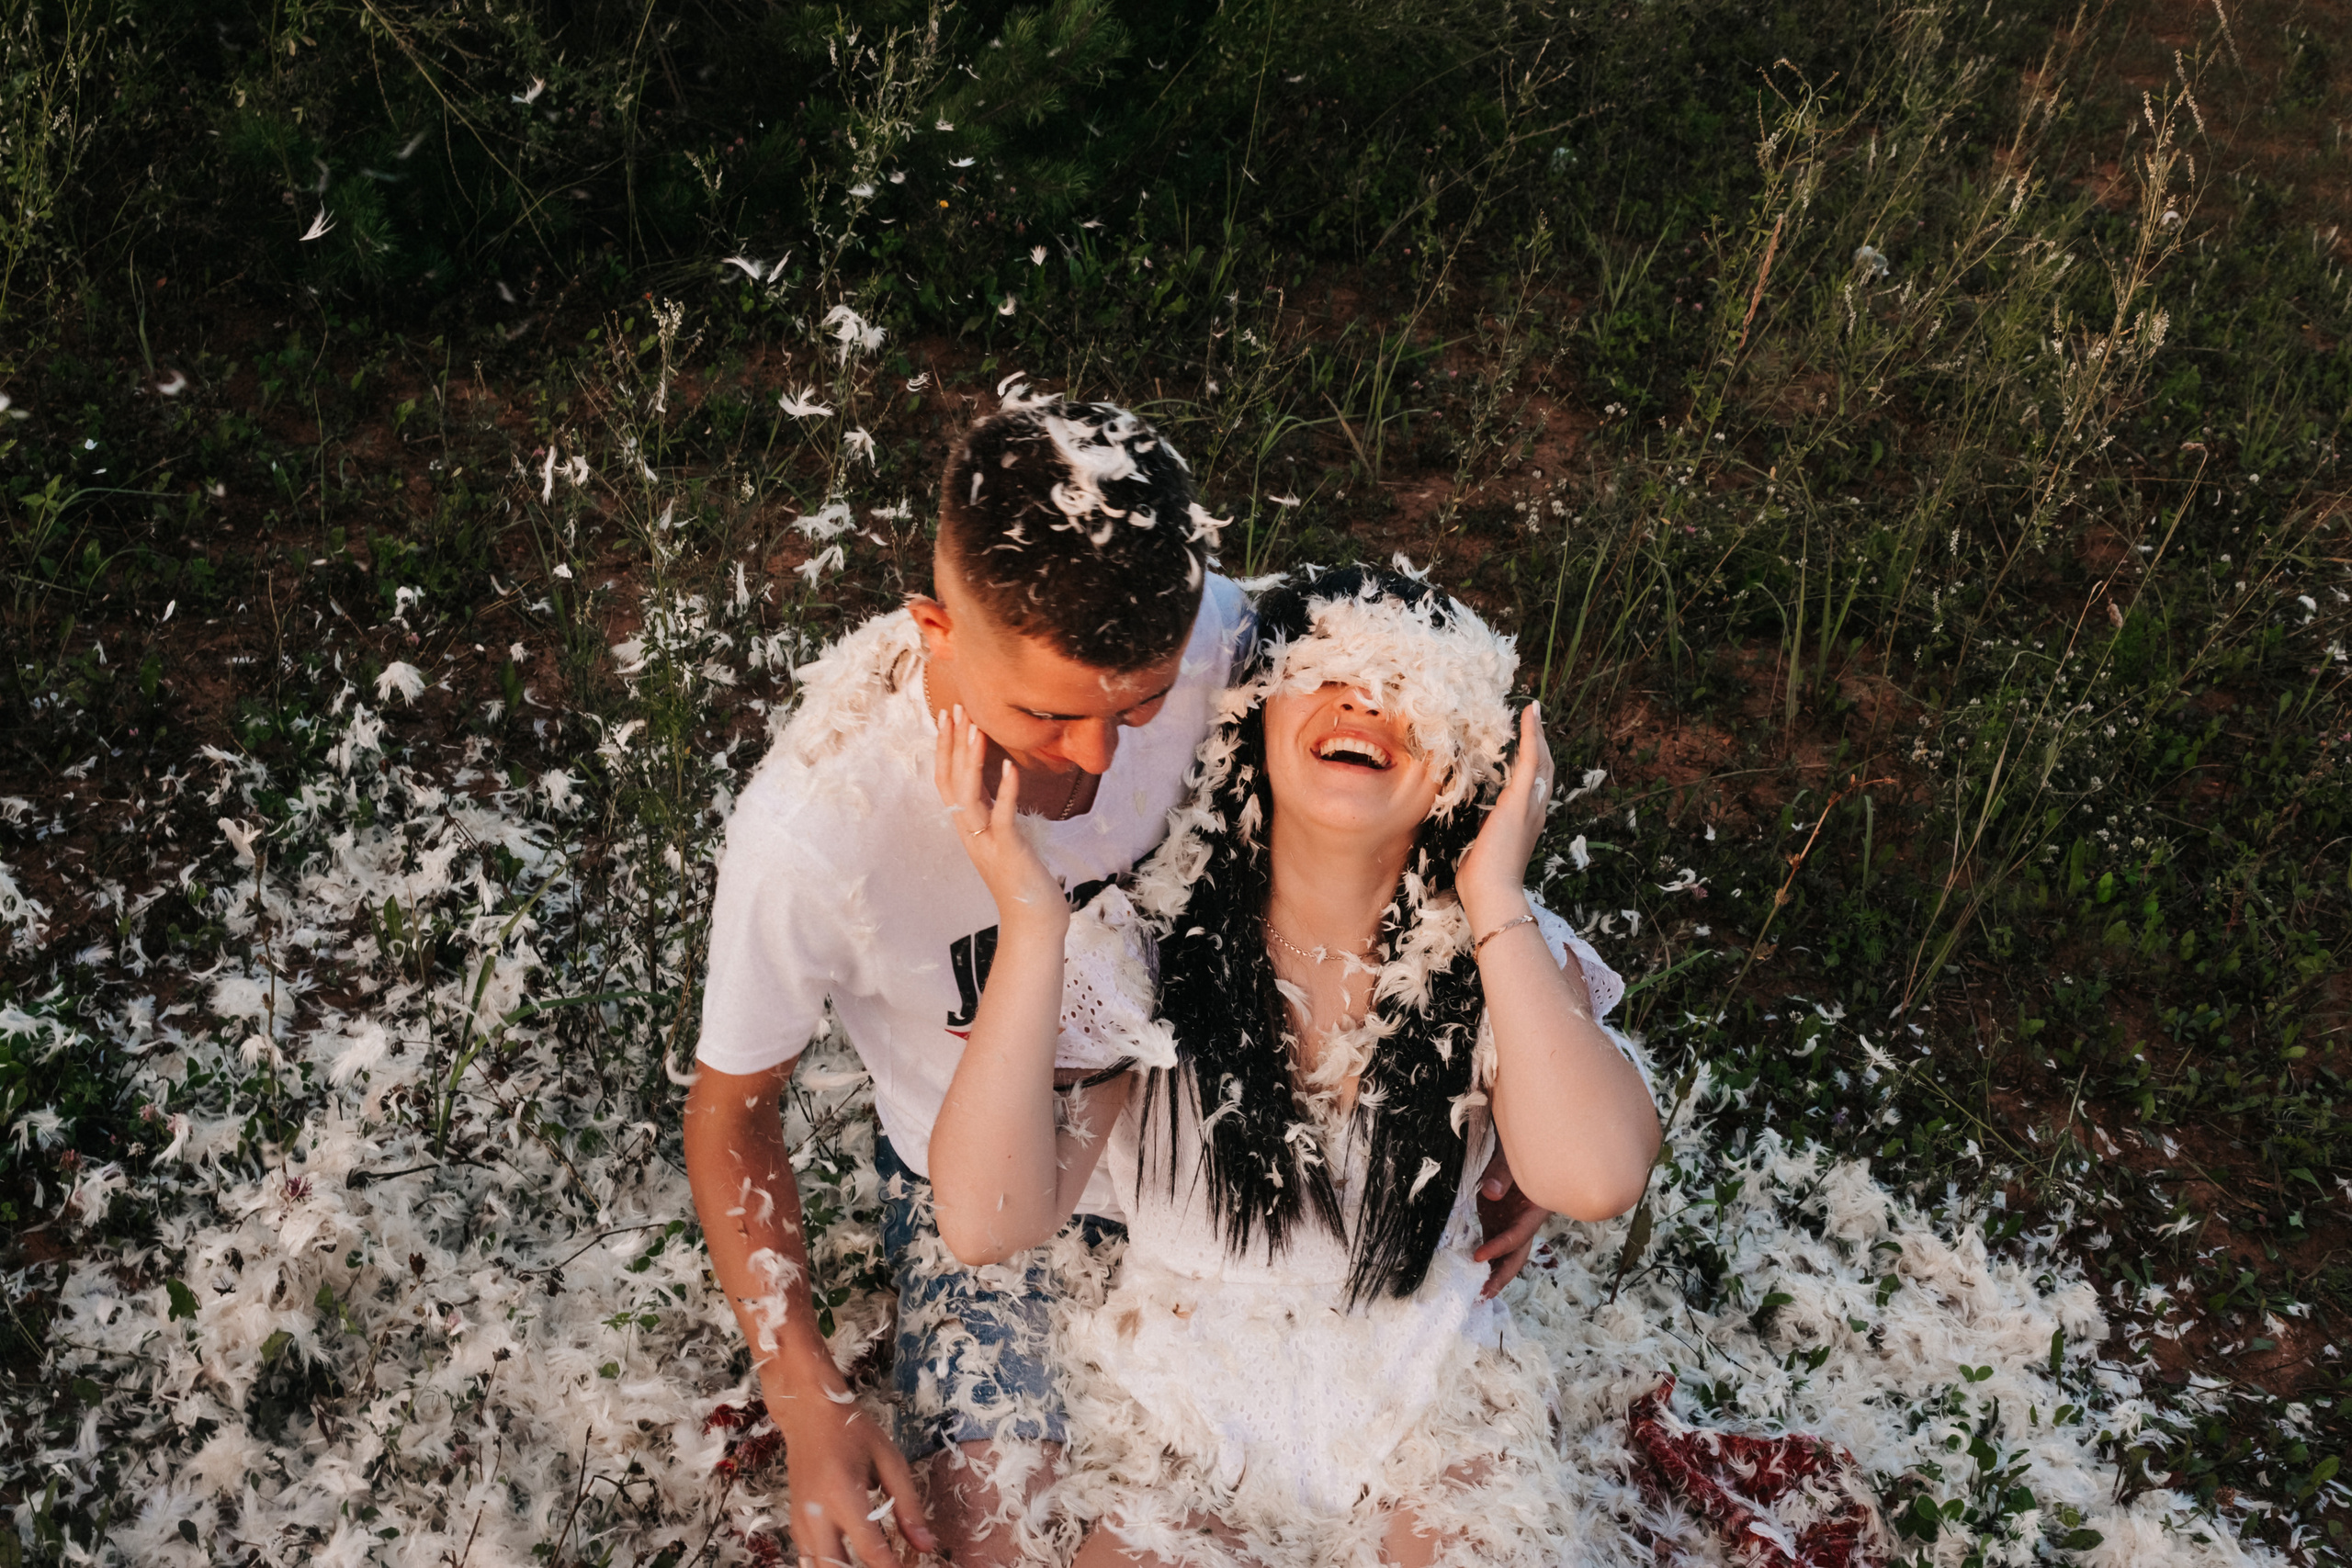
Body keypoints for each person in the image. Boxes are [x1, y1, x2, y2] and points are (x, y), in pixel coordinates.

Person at [683, 406, 1551, 1568]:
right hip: (999, 1188)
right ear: (934, 628)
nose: (1095, 761)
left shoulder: (1236, 641)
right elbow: (731, 1116)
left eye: (1136, 706)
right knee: (990, 1543)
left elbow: (1437, 732)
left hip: (1226, 1146)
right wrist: (803, 1395)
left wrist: (1493, 1104)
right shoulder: (816, 828)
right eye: (1047, 713)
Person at [927, 565, 1663, 1566]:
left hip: (1429, 1406)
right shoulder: (1149, 939)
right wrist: (1028, 918)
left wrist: (1496, 893)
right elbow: (985, 1217)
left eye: (1409, 684)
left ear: (1465, 762)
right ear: (1256, 719)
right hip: (1182, 1424)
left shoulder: (1501, 955)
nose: (1364, 697)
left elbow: (1596, 1175)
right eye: (1327, 670)